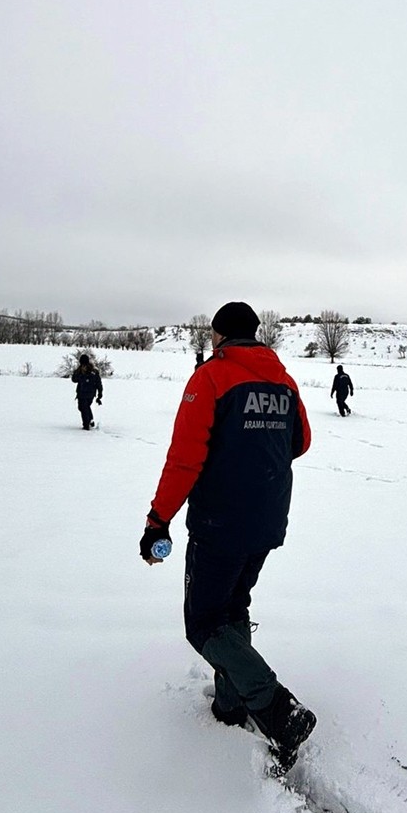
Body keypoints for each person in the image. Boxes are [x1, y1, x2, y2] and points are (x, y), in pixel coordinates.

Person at [139, 301, 315, 769]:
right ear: (255, 334)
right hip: (267, 521)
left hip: (221, 524)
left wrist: (158, 520)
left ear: (219, 335)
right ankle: (230, 704)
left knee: (203, 623)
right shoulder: (282, 379)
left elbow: (185, 459)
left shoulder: (211, 378)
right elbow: (300, 442)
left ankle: (277, 707)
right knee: (232, 608)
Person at [71, 353, 103, 430]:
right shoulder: (91, 371)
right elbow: (74, 379)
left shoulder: (92, 372)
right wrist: (99, 394)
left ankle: (86, 424)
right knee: (84, 407)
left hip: (84, 393)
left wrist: (99, 394)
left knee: (83, 407)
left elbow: (98, 383)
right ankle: (90, 419)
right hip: (89, 394)